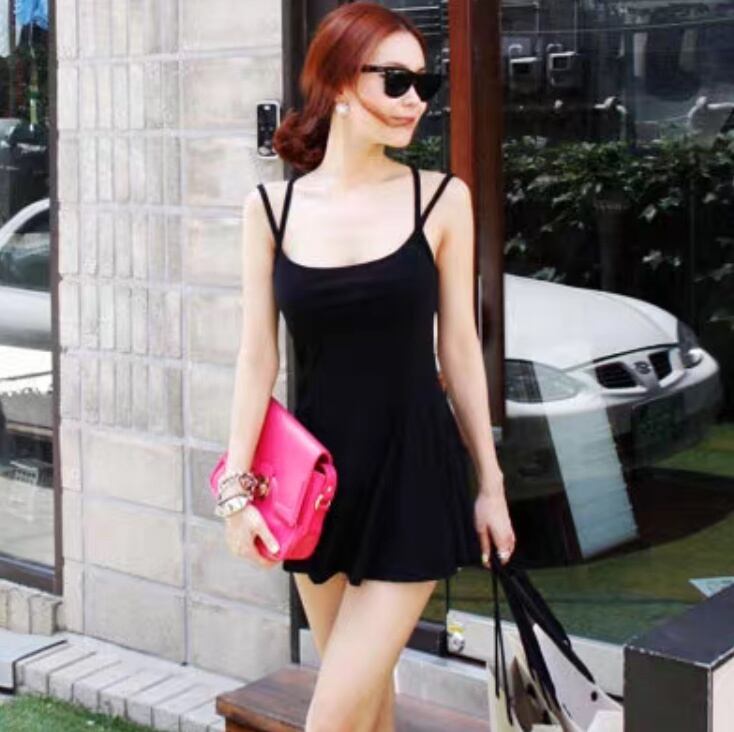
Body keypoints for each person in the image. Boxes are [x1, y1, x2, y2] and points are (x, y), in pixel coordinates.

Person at [216, 3, 515, 730]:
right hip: (316, 482)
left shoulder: (440, 199)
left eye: (425, 84)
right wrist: (235, 489)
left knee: (330, 718)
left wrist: (491, 485)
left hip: (413, 473)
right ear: (341, 83)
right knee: (363, 712)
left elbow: (459, 349)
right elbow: (257, 356)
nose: (417, 100)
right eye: (398, 81)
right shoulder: (270, 209)